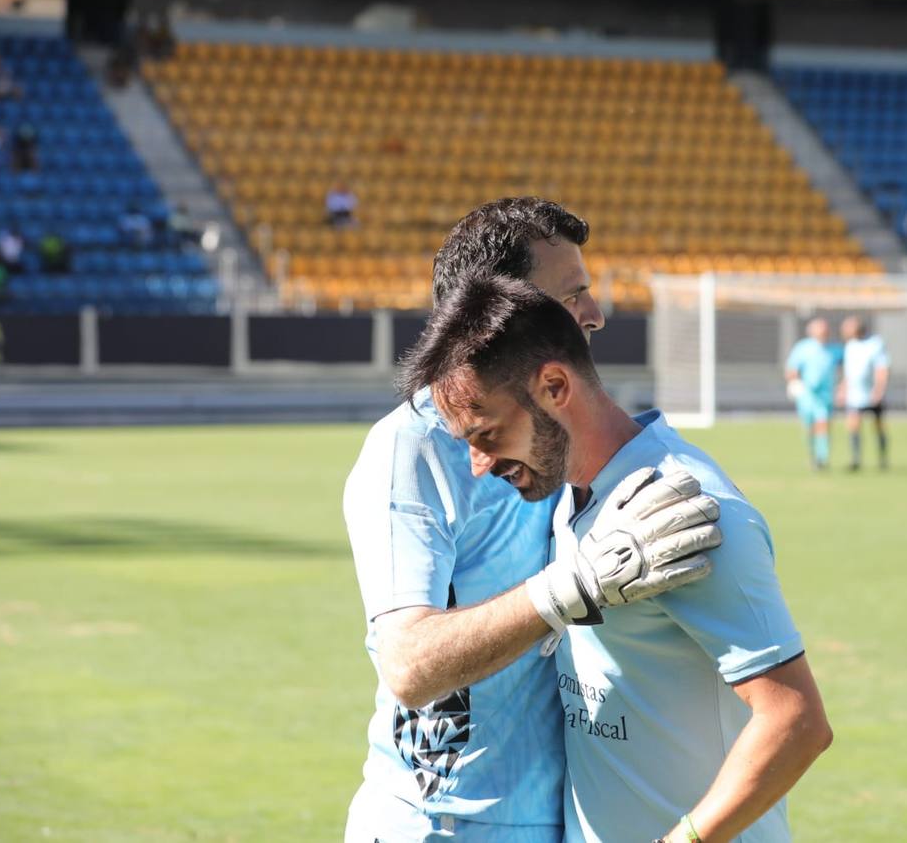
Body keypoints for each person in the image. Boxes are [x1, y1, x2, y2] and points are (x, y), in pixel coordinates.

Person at [342, 197, 724, 843]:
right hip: (437, 827)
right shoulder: (410, 449)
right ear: (502, 314)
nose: (595, 317)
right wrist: (575, 586)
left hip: (553, 823)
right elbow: (407, 665)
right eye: (572, 297)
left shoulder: (564, 429)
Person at [403, 274, 833, 842]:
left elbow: (796, 721)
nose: (479, 463)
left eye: (487, 434)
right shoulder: (572, 494)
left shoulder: (689, 508)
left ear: (555, 387)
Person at [784, 317, 843, 470]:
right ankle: (812, 456)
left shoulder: (835, 349)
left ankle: (822, 458)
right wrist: (795, 383)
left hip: (825, 395)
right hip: (807, 395)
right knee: (809, 426)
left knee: (823, 424)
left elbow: (845, 368)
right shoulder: (803, 348)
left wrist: (842, 386)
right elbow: (792, 369)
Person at [838, 315, 891, 471]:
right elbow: (850, 372)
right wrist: (842, 388)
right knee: (853, 425)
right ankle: (856, 459)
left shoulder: (875, 344)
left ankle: (882, 459)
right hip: (855, 395)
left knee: (878, 426)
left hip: (872, 392)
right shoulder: (850, 346)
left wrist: (879, 389)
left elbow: (882, 368)